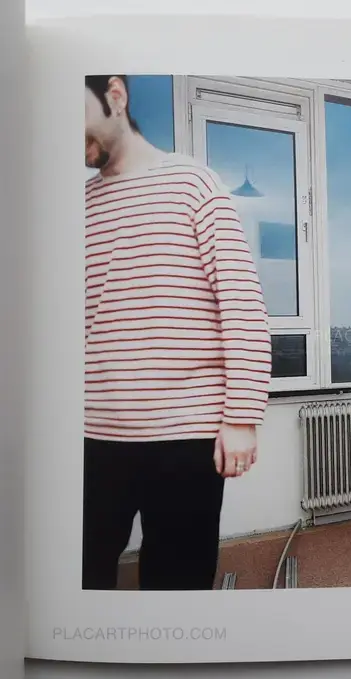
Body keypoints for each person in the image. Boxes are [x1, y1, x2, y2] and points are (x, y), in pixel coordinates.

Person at [83, 75, 272, 590]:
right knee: (79, 575)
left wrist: (241, 416)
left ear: (115, 95)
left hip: (185, 433)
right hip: (93, 432)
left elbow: (243, 306)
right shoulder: (80, 208)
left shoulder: (194, 185)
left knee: (177, 582)